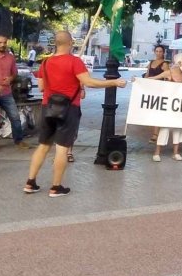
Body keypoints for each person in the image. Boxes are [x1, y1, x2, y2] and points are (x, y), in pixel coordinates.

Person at [23, 31, 127, 197]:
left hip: (47, 107)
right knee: (62, 149)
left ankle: (30, 182)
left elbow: (42, 88)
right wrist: (113, 81)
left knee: (43, 146)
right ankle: (56, 187)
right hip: (68, 108)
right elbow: (89, 82)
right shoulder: (75, 61)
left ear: (56, 44)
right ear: (70, 43)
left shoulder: (46, 62)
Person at [0, 35, 30, 151]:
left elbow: (14, 73)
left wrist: (10, 79)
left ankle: (19, 140)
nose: (2, 45)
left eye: (4, 42)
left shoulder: (11, 57)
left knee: (15, 117)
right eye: (0, 42)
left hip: (6, 92)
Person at [153, 52, 182, 162]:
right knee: (165, 128)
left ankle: (176, 153)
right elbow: (154, 78)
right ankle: (157, 153)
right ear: (179, 62)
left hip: (179, 106)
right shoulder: (169, 73)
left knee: (178, 128)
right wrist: (139, 81)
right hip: (168, 105)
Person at [144, 44, 171, 143]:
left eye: (160, 51)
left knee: (156, 111)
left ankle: (155, 134)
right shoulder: (151, 62)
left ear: (163, 53)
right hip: (150, 90)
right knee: (151, 111)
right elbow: (147, 75)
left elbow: (168, 76)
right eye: (157, 51)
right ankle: (154, 132)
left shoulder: (164, 64)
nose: (159, 53)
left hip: (159, 90)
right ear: (154, 52)